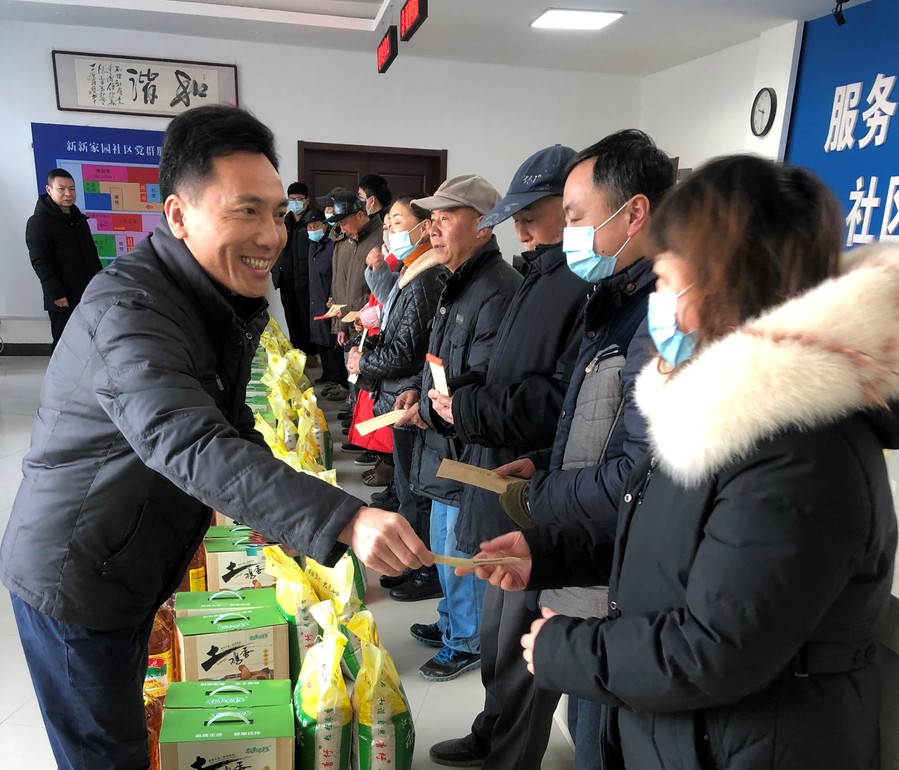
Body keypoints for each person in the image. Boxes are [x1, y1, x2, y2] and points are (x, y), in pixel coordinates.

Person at [0, 105, 430, 770]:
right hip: (77, 575)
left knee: (126, 734)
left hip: (126, 562)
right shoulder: (131, 311)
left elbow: (230, 430)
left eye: (277, 213)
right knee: (105, 754)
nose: (271, 235)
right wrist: (342, 517)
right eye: (245, 211)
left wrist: (299, 521)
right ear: (178, 215)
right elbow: (190, 442)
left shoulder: (203, 299)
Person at [467, 155, 899, 770]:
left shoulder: (801, 452)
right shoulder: (718, 409)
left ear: (726, 282)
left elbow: (717, 649)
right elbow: (666, 540)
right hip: (688, 733)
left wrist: (569, 649)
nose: (657, 300)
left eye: (667, 278)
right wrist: (549, 554)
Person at [421, 145, 596, 767]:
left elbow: (558, 403)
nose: (522, 231)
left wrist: (468, 408)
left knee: (525, 647)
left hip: (535, 494)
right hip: (498, 476)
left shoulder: (580, 286)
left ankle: (509, 753)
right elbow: (506, 371)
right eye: (516, 218)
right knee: (498, 637)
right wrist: (466, 396)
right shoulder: (536, 276)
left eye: (537, 217)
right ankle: (490, 730)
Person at [393, 175, 522, 681]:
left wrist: (429, 411)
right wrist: (415, 388)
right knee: (444, 543)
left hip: (468, 448)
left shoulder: (497, 290)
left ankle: (466, 639)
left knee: (460, 546)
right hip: (442, 441)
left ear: (484, 226)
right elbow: (439, 360)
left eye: (446, 218)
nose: (433, 228)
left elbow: (483, 376)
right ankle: (452, 621)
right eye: (432, 218)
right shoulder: (457, 280)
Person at [348, 194, 449, 601]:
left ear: (424, 227)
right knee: (408, 487)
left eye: (397, 222)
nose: (389, 231)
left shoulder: (427, 278)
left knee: (416, 490)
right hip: (403, 394)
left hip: (411, 396)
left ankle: (426, 569)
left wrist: (365, 362)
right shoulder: (410, 272)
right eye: (387, 224)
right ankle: (414, 563)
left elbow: (408, 351)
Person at [26, 168, 103, 351]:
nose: (68, 193)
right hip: (62, 297)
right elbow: (40, 261)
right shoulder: (38, 222)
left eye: (72, 189)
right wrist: (56, 294)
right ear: (49, 189)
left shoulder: (78, 220)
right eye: (61, 189)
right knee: (63, 345)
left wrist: (100, 285)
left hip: (86, 293)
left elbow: (92, 255)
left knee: (88, 342)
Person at [271, 181, 315, 363]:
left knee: (308, 321)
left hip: (307, 281)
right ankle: (297, 356)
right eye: (292, 199)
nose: (295, 203)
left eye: (299, 199)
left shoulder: (313, 222)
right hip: (287, 279)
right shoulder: (282, 221)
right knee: (292, 319)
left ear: (307, 200)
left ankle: (311, 356)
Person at [304, 208, 347, 388]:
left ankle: (336, 378)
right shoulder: (312, 246)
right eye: (309, 227)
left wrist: (333, 295)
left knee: (331, 340)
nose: (312, 229)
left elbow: (336, 274)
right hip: (316, 297)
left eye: (316, 226)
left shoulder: (332, 244)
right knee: (320, 337)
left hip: (329, 297)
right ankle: (327, 373)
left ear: (324, 225)